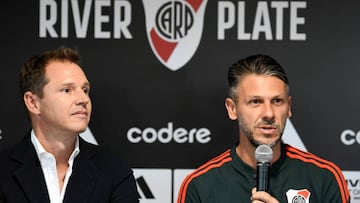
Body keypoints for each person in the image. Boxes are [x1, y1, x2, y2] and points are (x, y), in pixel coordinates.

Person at [177, 54, 350, 203]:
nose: (268, 113)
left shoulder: (325, 178)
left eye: (277, 101)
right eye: (255, 102)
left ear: (288, 107)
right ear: (232, 109)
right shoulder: (200, 186)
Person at [0, 46, 139, 203]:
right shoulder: (3, 170)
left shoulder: (114, 171)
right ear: (33, 103)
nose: (83, 99)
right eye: (67, 90)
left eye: (85, 90)